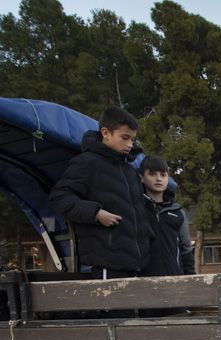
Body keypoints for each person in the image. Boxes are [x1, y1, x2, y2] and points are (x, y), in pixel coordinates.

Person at [50, 107, 152, 279]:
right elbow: (60, 197)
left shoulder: (130, 171)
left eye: (133, 139)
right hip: (108, 266)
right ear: (105, 133)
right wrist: (96, 213)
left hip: (138, 268)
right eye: (125, 137)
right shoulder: (87, 163)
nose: (130, 144)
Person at [139, 155, 195, 277]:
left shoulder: (178, 211)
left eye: (163, 175)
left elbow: (186, 248)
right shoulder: (136, 209)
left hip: (174, 279)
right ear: (142, 178)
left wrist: (191, 277)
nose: (158, 178)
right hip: (142, 280)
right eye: (152, 174)